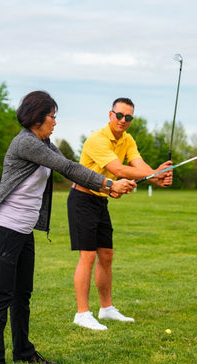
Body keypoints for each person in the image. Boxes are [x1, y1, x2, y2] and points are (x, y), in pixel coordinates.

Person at [0, 91, 136, 364]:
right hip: (3, 227)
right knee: (1, 296)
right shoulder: (26, 142)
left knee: (22, 294)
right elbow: (67, 168)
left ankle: (23, 351)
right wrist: (108, 182)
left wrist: (108, 188)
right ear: (37, 118)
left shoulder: (44, 143)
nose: (55, 122)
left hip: (23, 230)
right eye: (52, 116)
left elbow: (72, 169)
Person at [67, 97, 173, 331]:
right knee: (88, 257)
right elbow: (118, 169)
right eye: (119, 115)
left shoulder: (127, 139)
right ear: (110, 114)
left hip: (101, 200)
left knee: (106, 255)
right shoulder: (97, 139)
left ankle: (106, 309)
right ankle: (82, 313)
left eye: (129, 117)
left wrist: (156, 176)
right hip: (82, 200)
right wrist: (155, 176)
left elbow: (137, 164)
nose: (123, 120)